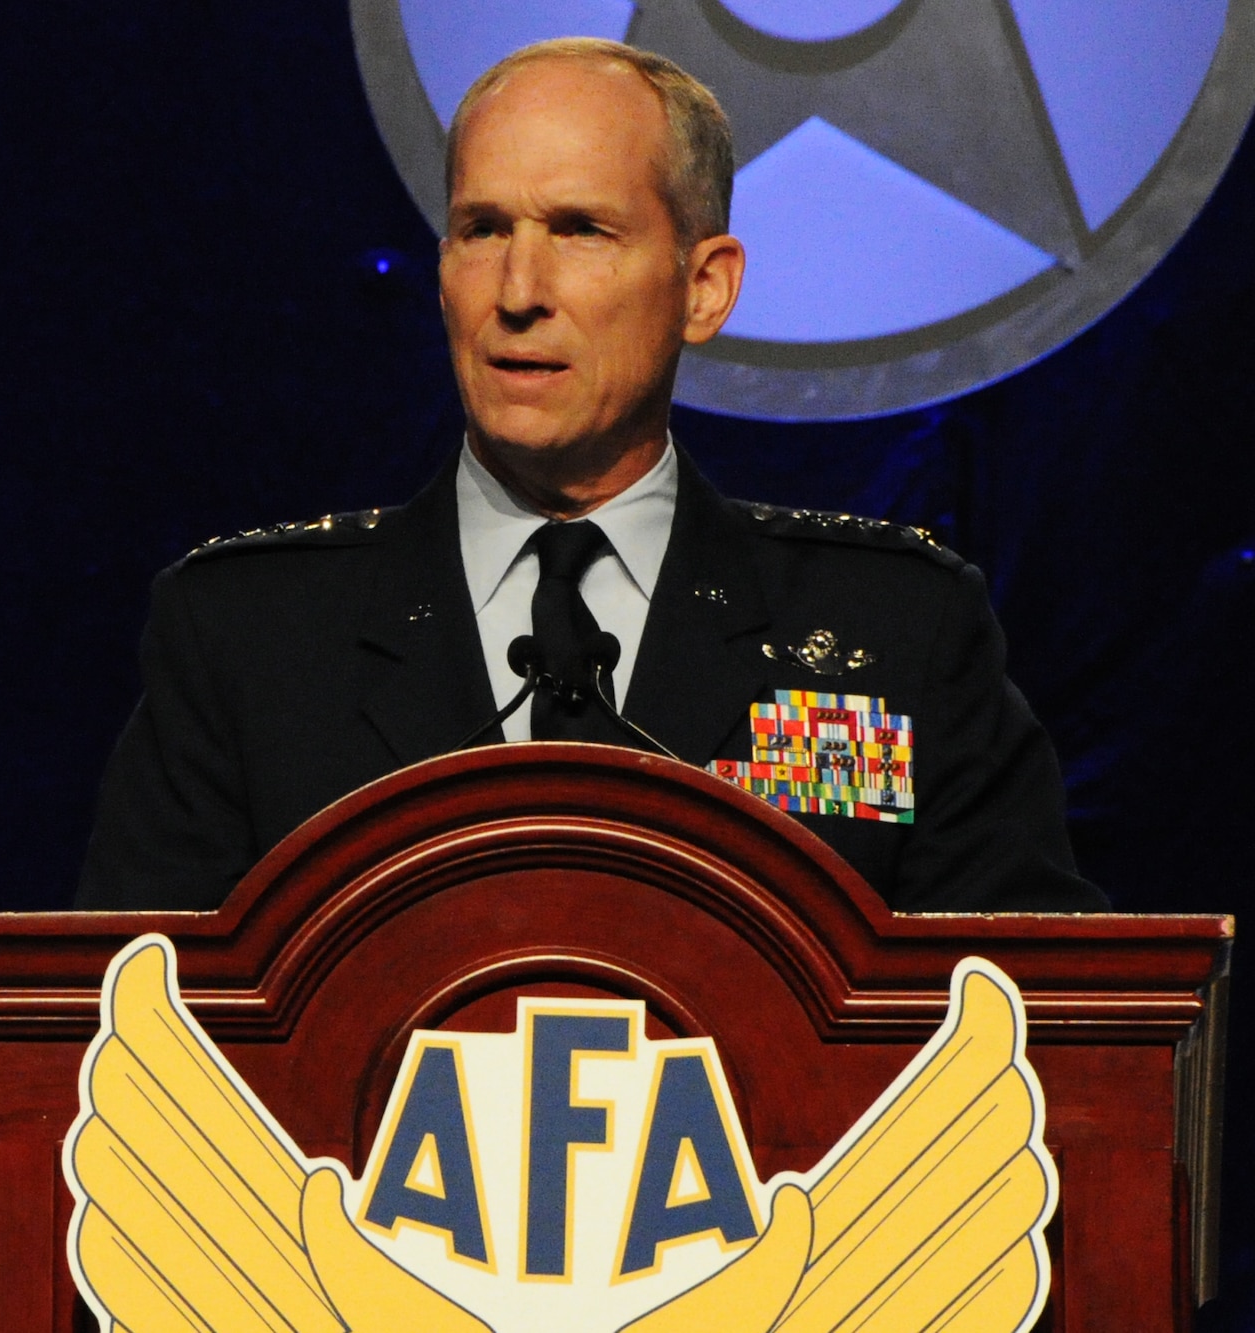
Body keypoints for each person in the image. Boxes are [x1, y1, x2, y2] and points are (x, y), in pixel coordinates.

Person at [75, 38, 1105, 914]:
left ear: (703, 289)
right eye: (483, 231)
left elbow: (1039, 1036)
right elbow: (120, 1040)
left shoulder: (894, 639)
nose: (518, 293)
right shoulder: (248, 640)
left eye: (580, 232)